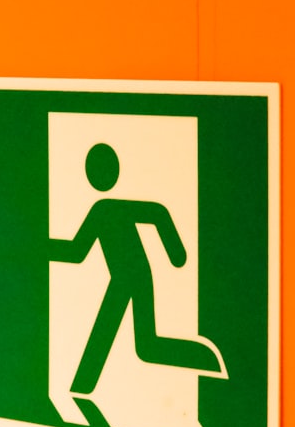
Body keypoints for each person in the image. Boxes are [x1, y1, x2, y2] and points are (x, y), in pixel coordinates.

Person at [50, 143, 221, 395]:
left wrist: (176, 253)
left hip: (134, 276)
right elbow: (77, 251)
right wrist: (175, 252)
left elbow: (156, 213)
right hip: (127, 277)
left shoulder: (104, 209)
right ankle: (206, 360)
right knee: (146, 345)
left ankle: (207, 361)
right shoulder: (103, 209)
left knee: (141, 344)